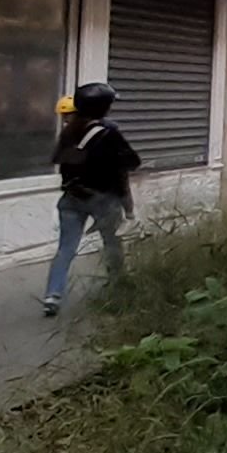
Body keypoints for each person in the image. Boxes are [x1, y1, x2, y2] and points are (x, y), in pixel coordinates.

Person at [43, 81, 142, 316]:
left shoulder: (69, 133)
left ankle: (52, 295)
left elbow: (60, 161)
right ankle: (118, 288)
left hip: (71, 198)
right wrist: (128, 207)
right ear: (104, 107)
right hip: (103, 199)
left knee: (65, 249)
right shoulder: (109, 134)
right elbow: (131, 163)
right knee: (112, 244)